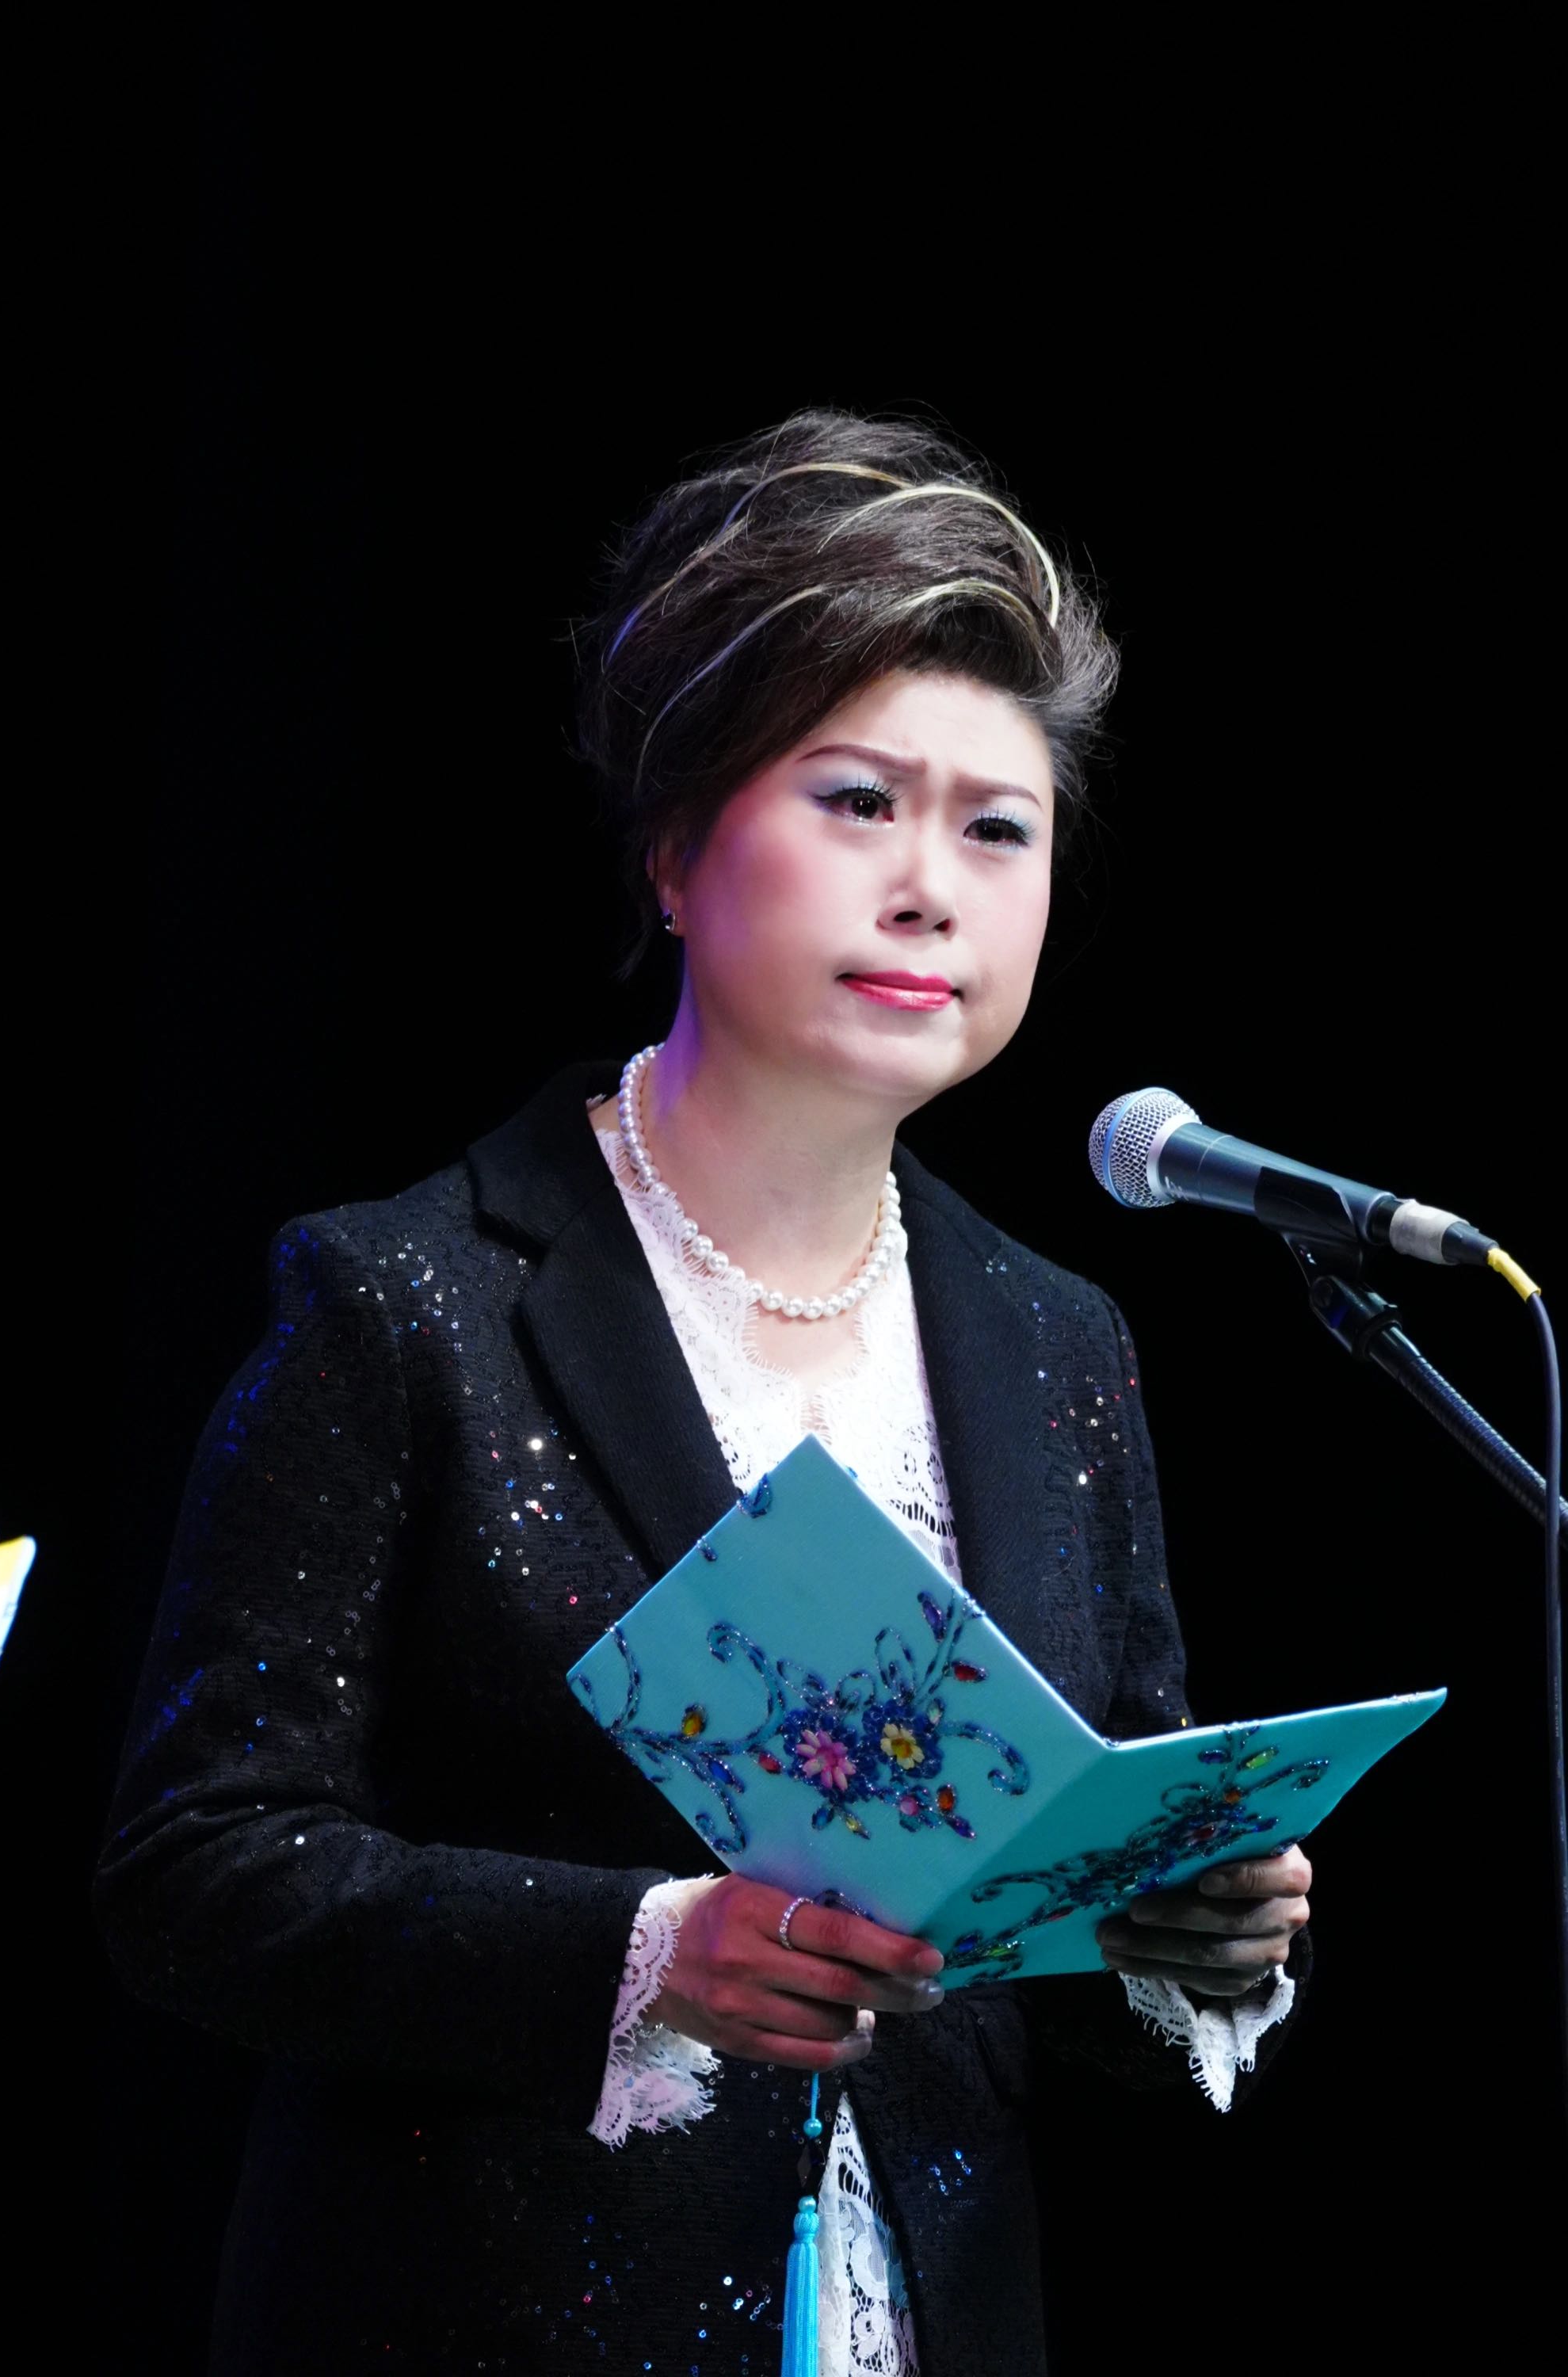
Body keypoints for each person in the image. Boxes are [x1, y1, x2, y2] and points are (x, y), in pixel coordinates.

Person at [93, 408, 1313, 2376]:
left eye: (996, 829)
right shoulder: (405, 1298)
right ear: (674, 847)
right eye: (858, 801)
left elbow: (1062, 1892)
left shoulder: (1057, 1340)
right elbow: (193, 1871)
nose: (930, 887)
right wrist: (649, 1953)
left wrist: (1187, 1928)